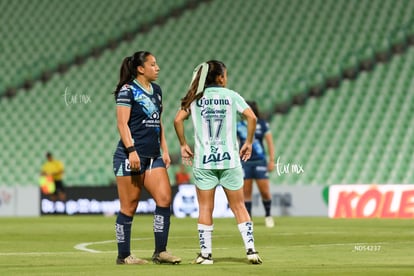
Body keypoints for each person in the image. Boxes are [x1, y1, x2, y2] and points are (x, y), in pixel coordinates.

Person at [174, 60, 263, 265]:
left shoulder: (195, 98)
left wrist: (183, 145)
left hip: (204, 162)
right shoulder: (231, 96)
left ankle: (206, 255)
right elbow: (252, 118)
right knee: (239, 206)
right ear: (221, 78)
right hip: (229, 160)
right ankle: (250, 250)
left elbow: (177, 120)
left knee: (205, 208)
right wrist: (248, 143)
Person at [112, 51, 181, 265]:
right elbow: (122, 124)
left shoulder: (157, 91)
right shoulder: (127, 90)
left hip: (154, 157)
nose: (157, 67)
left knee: (164, 200)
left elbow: (158, 121)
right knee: (129, 207)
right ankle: (123, 256)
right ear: (141, 69)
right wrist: (131, 150)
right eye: (153, 64)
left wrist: (165, 149)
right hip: (130, 155)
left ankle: (160, 252)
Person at [237, 101, 276, 228]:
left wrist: (271, 160)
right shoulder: (239, 126)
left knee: (264, 191)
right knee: (246, 192)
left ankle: (268, 215)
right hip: (245, 162)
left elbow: (270, 143)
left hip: (260, 161)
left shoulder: (263, 124)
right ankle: (249, 218)